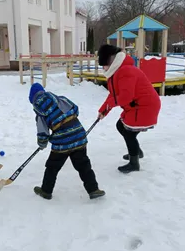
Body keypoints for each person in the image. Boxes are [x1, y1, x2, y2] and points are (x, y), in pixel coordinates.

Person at [29, 83, 105, 200]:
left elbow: (43, 131)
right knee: (83, 165)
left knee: (52, 167)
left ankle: (46, 191)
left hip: (61, 143)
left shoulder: (40, 111)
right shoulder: (61, 99)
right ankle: (93, 189)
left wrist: (42, 143)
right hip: (79, 136)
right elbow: (75, 109)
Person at [97, 44, 161, 174]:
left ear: (110, 60)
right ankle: (136, 151)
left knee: (128, 133)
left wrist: (109, 107)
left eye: (104, 64)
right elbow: (114, 95)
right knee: (121, 126)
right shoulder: (117, 72)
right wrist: (103, 110)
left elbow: (126, 97)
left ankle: (134, 163)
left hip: (144, 107)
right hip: (136, 106)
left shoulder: (126, 71)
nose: (103, 68)